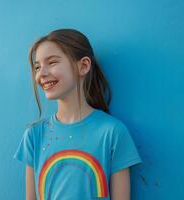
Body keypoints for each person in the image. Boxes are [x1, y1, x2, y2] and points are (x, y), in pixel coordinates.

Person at [13, 28, 142, 200]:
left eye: (52, 62)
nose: (41, 74)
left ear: (83, 66)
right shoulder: (34, 135)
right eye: (37, 67)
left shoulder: (112, 132)